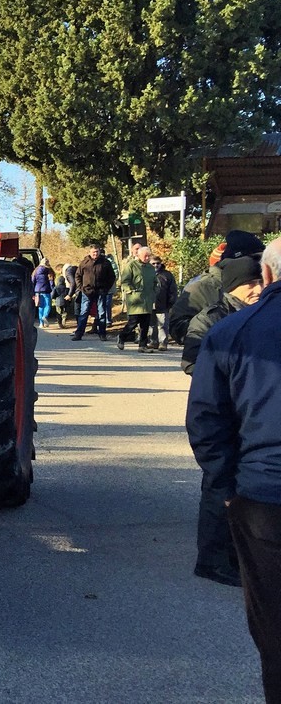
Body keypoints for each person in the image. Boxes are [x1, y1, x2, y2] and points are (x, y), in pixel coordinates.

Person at [186, 236, 281, 701]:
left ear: (265, 275)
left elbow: (206, 419)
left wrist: (227, 487)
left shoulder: (232, 333)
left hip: (263, 498)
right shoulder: (221, 328)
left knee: (275, 633)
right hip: (260, 490)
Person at [169, 230, 265, 346]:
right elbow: (176, 326)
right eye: (255, 259)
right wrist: (211, 330)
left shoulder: (265, 282)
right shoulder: (201, 286)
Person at [181, 256, 262, 376]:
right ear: (233, 287)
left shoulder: (268, 315)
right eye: (250, 284)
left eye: (261, 282)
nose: (259, 290)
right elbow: (191, 363)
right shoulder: (209, 320)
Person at [71, 244, 115, 341]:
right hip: (87, 291)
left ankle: (102, 333)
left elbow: (112, 277)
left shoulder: (105, 262)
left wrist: (106, 289)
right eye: (93, 252)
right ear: (89, 252)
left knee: (102, 313)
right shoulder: (84, 263)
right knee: (84, 312)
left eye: (97, 252)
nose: (95, 254)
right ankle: (79, 334)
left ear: (99, 252)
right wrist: (81, 287)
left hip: (101, 291)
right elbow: (77, 276)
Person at [116, 246, 157, 353]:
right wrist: (130, 291)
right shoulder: (132, 265)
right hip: (135, 300)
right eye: (145, 256)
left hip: (147, 299)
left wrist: (155, 292)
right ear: (138, 255)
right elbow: (125, 281)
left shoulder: (150, 268)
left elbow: (155, 282)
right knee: (133, 322)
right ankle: (122, 337)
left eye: (149, 256)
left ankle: (142, 345)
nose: (147, 258)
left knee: (145, 324)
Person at [149, 255, 178, 350]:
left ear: (161, 264)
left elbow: (173, 289)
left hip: (163, 303)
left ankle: (163, 343)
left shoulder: (167, 275)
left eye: (158, 263)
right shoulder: (146, 273)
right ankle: (153, 341)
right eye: (153, 263)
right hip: (149, 303)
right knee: (151, 324)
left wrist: (172, 301)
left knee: (163, 324)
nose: (156, 265)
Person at [31, 258, 55, 328]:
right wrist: (53, 288)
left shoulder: (35, 271)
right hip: (46, 290)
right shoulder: (49, 271)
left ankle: (41, 323)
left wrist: (33, 292)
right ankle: (45, 316)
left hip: (37, 291)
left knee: (40, 307)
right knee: (47, 305)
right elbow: (51, 281)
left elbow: (32, 281)